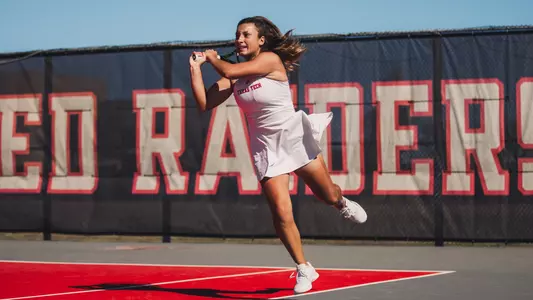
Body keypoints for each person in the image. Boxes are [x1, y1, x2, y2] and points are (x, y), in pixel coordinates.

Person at [189, 16, 367, 295]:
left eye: (246, 34)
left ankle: (340, 202)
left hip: (293, 137)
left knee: (327, 195)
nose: (239, 39)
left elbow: (229, 70)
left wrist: (212, 59)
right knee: (281, 213)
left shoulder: (270, 60)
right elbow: (204, 102)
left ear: (261, 40)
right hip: (265, 149)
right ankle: (304, 267)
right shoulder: (232, 77)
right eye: (237, 35)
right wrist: (195, 69)